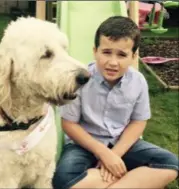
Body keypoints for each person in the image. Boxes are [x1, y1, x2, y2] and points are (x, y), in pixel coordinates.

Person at [52, 16, 178, 189]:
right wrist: (104, 154)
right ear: (95, 51)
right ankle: (131, 178)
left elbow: (138, 121)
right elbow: (69, 124)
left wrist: (115, 154)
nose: (113, 62)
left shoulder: (138, 81)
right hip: (83, 143)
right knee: (63, 180)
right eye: (106, 52)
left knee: (170, 164)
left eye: (122, 55)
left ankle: (110, 182)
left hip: (123, 142)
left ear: (133, 56)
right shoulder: (81, 79)